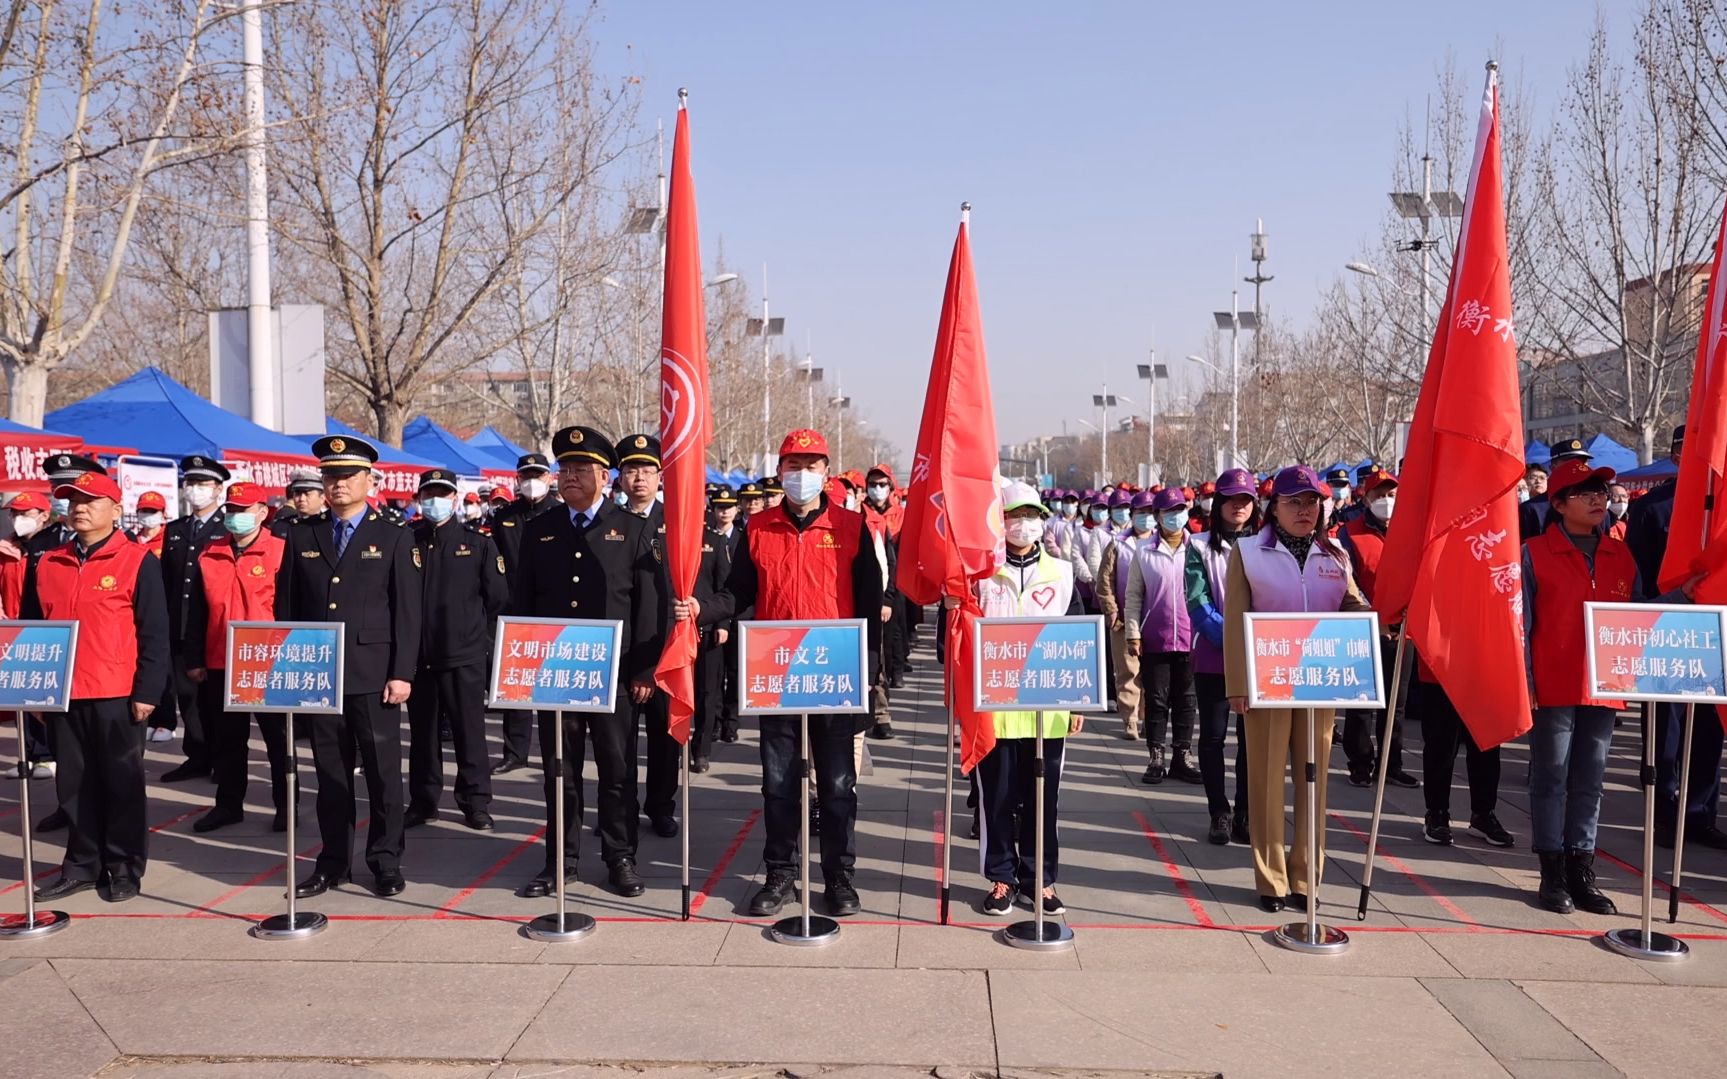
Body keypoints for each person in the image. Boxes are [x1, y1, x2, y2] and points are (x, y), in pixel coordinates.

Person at [683, 428, 886, 919]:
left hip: (836, 675)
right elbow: (738, 593)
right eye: (793, 465)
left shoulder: (852, 527)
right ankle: (780, 873)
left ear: (826, 472)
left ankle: (838, 875)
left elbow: (870, 603)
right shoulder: (758, 528)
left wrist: (868, 674)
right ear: (779, 472)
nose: (802, 474)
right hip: (777, 675)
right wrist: (701, 609)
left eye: (812, 465)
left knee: (837, 785)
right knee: (778, 784)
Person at [510, 426, 661, 899]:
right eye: (565, 468)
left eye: (581, 469)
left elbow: (647, 605)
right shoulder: (541, 529)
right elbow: (523, 602)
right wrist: (521, 665)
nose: (570, 476)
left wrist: (644, 669)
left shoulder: (631, 528)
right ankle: (561, 859)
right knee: (561, 770)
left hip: (614, 674)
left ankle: (620, 857)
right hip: (555, 673)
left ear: (604, 476)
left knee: (617, 771)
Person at [274, 436, 422, 899]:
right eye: (330, 476)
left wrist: (402, 672)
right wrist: (292, 667)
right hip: (320, 674)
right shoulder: (303, 534)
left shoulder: (393, 534)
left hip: (374, 673)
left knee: (382, 775)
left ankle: (385, 861)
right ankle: (333, 861)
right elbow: (287, 607)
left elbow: (407, 610)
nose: (338, 484)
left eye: (347, 476)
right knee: (331, 774)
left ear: (369, 480)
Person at [1224, 465, 1373, 913]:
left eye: (1312, 502)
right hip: (1267, 684)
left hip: (1320, 684)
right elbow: (1235, 621)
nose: (1305, 510)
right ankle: (1271, 880)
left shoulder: (1335, 554)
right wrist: (1238, 684)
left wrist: (1380, 617)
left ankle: (1307, 876)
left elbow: (1352, 604)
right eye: (1294, 502)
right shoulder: (1249, 552)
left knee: (1314, 782)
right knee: (1267, 782)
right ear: (1274, 508)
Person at [25, 470, 169, 903]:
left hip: (116, 692)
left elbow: (155, 632)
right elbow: (34, 629)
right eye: (73, 502)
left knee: (121, 784)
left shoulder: (136, 560)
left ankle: (124, 868)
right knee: (73, 785)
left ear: (116, 509)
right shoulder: (48, 562)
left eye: (90, 501)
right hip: (63, 692)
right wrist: (35, 689)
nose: (80, 509)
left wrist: (148, 692)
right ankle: (82, 865)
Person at [1522, 456, 1644, 915]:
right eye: (1585, 493)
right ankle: (1551, 873)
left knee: (1591, 780)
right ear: (1558, 504)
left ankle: (1581, 869)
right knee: (1551, 778)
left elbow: (1637, 616)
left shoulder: (1620, 553)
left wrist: (1686, 596)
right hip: (1552, 685)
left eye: (1601, 492)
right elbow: (1521, 624)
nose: (1598, 499)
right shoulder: (1533, 553)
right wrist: (1527, 680)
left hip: (1605, 684)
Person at [972, 482, 1084, 915]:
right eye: (1015, 515)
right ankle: (1001, 876)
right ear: (999, 521)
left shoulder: (1062, 573)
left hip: (1047, 710)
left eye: (1032, 514)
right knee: (997, 798)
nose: (1024, 523)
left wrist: (1078, 701)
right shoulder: (980, 575)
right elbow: (956, 642)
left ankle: (1040, 880)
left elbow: (1079, 642)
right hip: (994, 710)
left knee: (1043, 799)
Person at [1622, 425, 1725, 849]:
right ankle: (1665, 813)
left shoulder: (1721, 510)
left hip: (1714, 633)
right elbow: (1637, 574)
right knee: (1666, 730)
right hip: (1666, 629)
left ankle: (1699, 813)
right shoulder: (1652, 508)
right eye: (1689, 450)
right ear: (1676, 456)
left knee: (1709, 730)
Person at [183, 482, 292, 834]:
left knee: (278, 740)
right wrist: (194, 657)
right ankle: (228, 805)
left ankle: (286, 806)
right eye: (230, 510)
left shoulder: (281, 551)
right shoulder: (210, 552)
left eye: (242, 510)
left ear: (261, 512)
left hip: (268, 660)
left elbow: (291, 608)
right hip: (222, 660)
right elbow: (197, 612)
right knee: (228, 740)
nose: (234, 516)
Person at [406, 468, 507, 832]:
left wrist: (476, 639)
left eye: (442, 493)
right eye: (428, 494)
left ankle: (475, 802)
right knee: (423, 734)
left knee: (469, 732)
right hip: (418, 657)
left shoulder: (477, 543)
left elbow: (497, 599)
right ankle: (423, 801)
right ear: (419, 499)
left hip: (463, 655)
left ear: (454, 498)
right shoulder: (407, 541)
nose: (434, 500)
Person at [1186, 468, 1260, 846]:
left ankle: (1246, 812)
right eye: (1231, 499)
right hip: (1215, 655)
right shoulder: (1199, 545)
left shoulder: (1265, 544)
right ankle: (1219, 811)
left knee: (1252, 739)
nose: (1239, 506)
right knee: (1213, 736)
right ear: (1218, 504)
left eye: (1246, 499)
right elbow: (1197, 601)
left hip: (1258, 656)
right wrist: (1232, 639)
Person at [615, 432, 683, 838]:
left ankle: (661, 806)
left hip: (665, 648)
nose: (638, 478)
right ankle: (620, 810)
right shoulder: (607, 522)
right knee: (617, 743)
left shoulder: (677, 523)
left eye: (646, 470)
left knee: (664, 738)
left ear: (660, 476)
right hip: (619, 652)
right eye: (630, 470)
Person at [1337, 468, 1419, 789]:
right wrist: (1374, 617)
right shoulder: (1350, 533)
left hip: (1404, 628)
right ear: (1366, 498)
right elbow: (1348, 582)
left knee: (1396, 704)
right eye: (1380, 495)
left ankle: (1390, 764)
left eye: (1392, 495)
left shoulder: (1411, 531)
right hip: (1364, 627)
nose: (1387, 500)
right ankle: (1360, 764)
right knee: (1361, 701)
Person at [488, 452, 561, 775]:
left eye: (538, 475)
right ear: (518, 480)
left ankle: (555, 750)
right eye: (526, 476)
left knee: (553, 683)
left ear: (549, 478)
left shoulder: (560, 514)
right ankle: (515, 751)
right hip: (513, 608)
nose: (532, 481)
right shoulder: (505, 516)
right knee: (514, 685)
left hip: (551, 609)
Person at [1125, 487, 1202, 785]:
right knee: (1157, 700)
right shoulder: (1144, 551)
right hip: (1155, 637)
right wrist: (1133, 633)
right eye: (1169, 512)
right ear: (1157, 516)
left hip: (1191, 637)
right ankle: (1155, 755)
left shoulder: (1198, 547)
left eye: (1179, 510)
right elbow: (1134, 595)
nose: (1175, 516)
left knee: (1187, 699)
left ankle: (1182, 754)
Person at [1414, 654, 1512, 847]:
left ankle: (1483, 814)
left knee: (1487, 742)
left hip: (1484, 661)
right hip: (1443, 659)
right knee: (1441, 741)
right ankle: (1436, 812)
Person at [1096, 490, 1155, 739]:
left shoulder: (1162, 542)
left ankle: (1148, 717)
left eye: (1150, 512)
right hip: (1123, 619)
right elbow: (1104, 580)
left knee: (1151, 672)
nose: (1146, 517)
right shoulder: (1118, 543)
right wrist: (1111, 609)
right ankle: (1130, 718)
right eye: (1141, 512)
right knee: (1127, 671)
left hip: (1154, 618)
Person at [707, 486, 744, 744]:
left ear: (736, 509)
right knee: (715, 675)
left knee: (736, 671)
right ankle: (715, 721)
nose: (724, 512)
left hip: (741, 614)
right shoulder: (706, 538)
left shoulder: (744, 537)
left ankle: (731, 722)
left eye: (729, 507)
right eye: (720, 507)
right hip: (714, 614)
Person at [133, 492, 167, 556]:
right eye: (144, 511)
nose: (148, 514)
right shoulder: (131, 541)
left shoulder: (169, 539)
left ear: (163, 514)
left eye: (153, 511)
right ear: (137, 513)